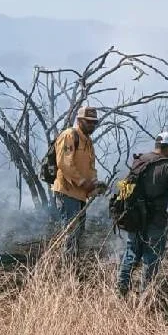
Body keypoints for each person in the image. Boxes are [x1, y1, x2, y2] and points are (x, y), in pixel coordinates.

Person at [116, 132, 168, 296]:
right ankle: (144, 298)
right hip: (155, 221)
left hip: (134, 218)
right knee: (152, 258)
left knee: (131, 254)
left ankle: (120, 293)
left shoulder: (139, 160)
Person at [51, 107, 106, 256]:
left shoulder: (88, 141)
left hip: (81, 194)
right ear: (79, 121)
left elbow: (91, 167)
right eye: (89, 122)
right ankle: (67, 269)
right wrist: (83, 182)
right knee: (71, 232)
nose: (92, 125)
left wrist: (94, 185)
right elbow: (64, 163)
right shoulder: (69, 135)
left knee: (78, 232)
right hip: (67, 191)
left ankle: (72, 265)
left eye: (94, 123)